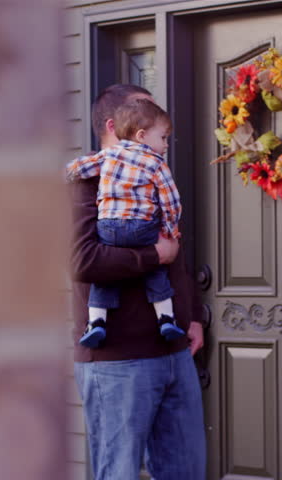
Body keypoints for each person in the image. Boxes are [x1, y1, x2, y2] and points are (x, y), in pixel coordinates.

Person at [70, 84, 207, 480]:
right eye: (146, 114)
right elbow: (83, 260)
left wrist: (193, 315)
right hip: (117, 360)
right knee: (119, 472)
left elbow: (177, 248)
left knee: (186, 471)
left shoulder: (152, 176)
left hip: (174, 350)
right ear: (118, 125)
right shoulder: (86, 181)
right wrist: (152, 255)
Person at [66, 98, 185, 348]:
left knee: (106, 278)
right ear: (142, 135)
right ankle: (166, 318)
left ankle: (96, 322)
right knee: (155, 269)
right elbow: (170, 200)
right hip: (142, 228)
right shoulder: (155, 163)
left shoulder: (110, 154)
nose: (166, 145)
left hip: (109, 226)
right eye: (163, 138)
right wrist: (170, 230)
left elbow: (80, 167)